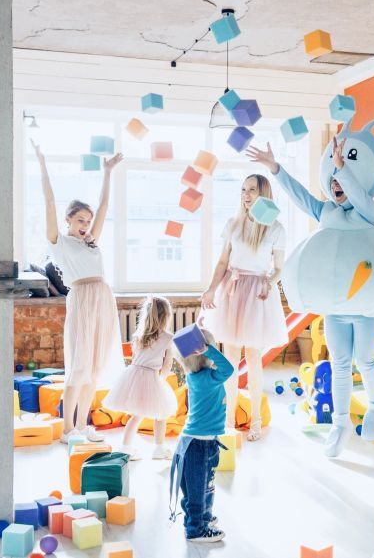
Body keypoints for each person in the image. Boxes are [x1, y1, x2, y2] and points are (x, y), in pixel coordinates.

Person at [246, 111, 374, 457]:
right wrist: (275, 168)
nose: (336, 184)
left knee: (365, 359)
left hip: (365, 303)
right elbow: (299, 194)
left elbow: (356, 193)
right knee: (340, 362)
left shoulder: (367, 211)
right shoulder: (326, 212)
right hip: (337, 305)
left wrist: (340, 166)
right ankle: (341, 422)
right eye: (331, 180)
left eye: (342, 180)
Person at [33, 139, 126, 443]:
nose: (86, 225)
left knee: (94, 368)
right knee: (79, 367)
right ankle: (67, 429)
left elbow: (104, 207)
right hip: (82, 299)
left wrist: (108, 172)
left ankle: (83, 425)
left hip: (102, 299)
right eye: (80, 220)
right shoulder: (59, 242)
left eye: (87, 221)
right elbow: (49, 202)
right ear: (69, 220)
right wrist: (43, 162)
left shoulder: (91, 242)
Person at [200, 174, 287, 441]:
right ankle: (227, 421)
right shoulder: (233, 224)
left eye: (252, 190)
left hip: (257, 293)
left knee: (253, 360)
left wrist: (269, 283)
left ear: (264, 194)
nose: (246, 195)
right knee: (229, 360)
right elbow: (222, 262)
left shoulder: (275, 229)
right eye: (243, 190)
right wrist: (212, 288)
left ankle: (256, 422)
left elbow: (279, 269)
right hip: (233, 290)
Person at [168, 329, 232, 544]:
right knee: (199, 490)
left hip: (197, 442)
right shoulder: (210, 378)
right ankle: (196, 529)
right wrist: (210, 350)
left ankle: (201, 517)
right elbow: (228, 368)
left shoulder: (194, 376)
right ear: (206, 354)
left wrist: (205, 350)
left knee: (200, 487)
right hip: (198, 444)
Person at [107, 295, 178, 460]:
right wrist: (162, 380)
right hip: (152, 377)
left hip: (133, 375)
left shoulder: (139, 335)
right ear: (166, 316)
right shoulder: (167, 338)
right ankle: (159, 447)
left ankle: (125, 446)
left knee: (137, 414)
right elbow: (167, 364)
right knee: (161, 414)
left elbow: (135, 359)